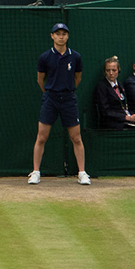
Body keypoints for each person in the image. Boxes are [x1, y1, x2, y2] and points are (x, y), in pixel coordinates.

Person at [30, 22, 89, 185]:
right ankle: (35, 172)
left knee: (76, 137)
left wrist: (67, 90)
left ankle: (82, 173)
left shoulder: (75, 56)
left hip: (69, 99)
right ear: (52, 36)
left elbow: (78, 78)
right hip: (50, 99)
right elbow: (40, 80)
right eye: (58, 34)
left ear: (67, 36)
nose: (61, 36)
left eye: (64, 34)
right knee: (42, 136)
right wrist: (50, 92)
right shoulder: (45, 57)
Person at [92, 57, 135, 130]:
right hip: (113, 122)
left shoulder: (120, 84)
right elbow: (106, 111)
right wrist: (127, 118)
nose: (111, 73)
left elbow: (125, 103)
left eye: (114, 70)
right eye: (108, 70)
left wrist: (134, 115)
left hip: (127, 117)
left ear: (118, 70)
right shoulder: (101, 86)